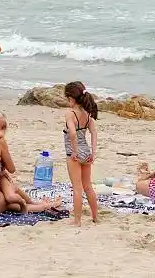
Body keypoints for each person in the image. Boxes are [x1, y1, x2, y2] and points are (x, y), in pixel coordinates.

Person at [63, 82, 99, 225]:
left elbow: (72, 133)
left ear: (71, 98)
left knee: (77, 188)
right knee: (88, 186)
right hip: (87, 153)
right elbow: (94, 133)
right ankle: (95, 216)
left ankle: (77, 220)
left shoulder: (70, 114)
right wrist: (93, 152)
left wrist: (74, 151)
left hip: (75, 154)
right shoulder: (87, 114)